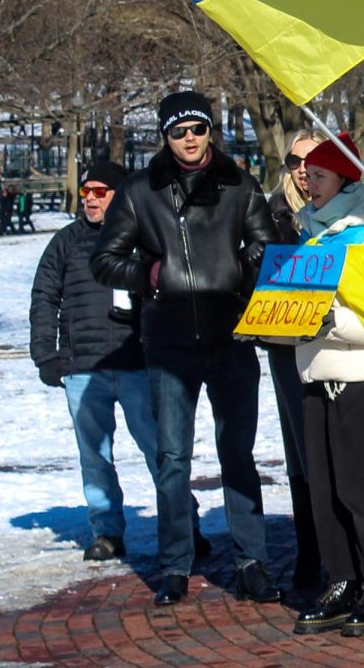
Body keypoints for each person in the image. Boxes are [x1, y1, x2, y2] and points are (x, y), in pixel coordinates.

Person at [90, 91, 280, 607]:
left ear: (210, 131)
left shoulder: (238, 183)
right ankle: (175, 565)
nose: (190, 139)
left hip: (230, 337)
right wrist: (149, 273)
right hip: (169, 342)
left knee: (237, 454)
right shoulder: (138, 190)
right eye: (179, 131)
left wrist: (241, 270)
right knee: (172, 457)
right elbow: (105, 259)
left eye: (197, 128)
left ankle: (251, 562)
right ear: (164, 136)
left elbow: (266, 245)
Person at [31, 162, 207, 562]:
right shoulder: (66, 243)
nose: (90, 198)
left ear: (119, 194)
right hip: (83, 369)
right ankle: (107, 530)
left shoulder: (146, 237)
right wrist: (46, 355)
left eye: (100, 191)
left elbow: (178, 289)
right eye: (85, 192)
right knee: (95, 457)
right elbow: (43, 297)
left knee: (162, 451)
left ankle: (184, 527)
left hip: (140, 365)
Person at [290, 134, 364, 637]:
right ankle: (341, 579)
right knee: (326, 489)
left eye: (318, 174)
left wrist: (326, 323)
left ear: (344, 178)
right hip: (317, 375)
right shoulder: (311, 234)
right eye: (305, 173)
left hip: (361, 378)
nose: (307, 181)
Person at [265, 130, 324, 590]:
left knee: (336, 453)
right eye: (293, 161)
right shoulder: (273, 213)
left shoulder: (347, 209)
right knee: (301, 457)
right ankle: (311, 552)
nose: (302, 169)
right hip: (287, 345)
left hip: (337, 345)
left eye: (311, 159)